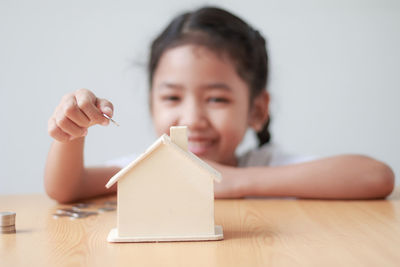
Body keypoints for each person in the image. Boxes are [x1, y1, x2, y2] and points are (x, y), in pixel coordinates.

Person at [45, 6, 394, 203]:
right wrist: (71, 135)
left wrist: (237, 181)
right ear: (152, 104)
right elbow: (67, 189)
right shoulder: (149, 170)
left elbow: (375, 177)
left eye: (216, 99)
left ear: (257, 110)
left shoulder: (264, 165)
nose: (193, 118)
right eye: (172, 97)